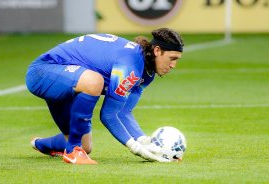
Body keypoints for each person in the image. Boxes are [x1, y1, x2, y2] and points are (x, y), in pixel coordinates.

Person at [26, 28, 184, 164]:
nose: (173, 65)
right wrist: (135, 147)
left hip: (68, 82)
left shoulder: (147, 72)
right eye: (172, 59)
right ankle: (73, 151)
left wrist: (144, 140)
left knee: (86, 146)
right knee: (95, 81)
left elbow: (123, 111)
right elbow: (108, 114)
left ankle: (40, 144)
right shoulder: (130, 64)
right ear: (157, 50)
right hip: (43, 72)